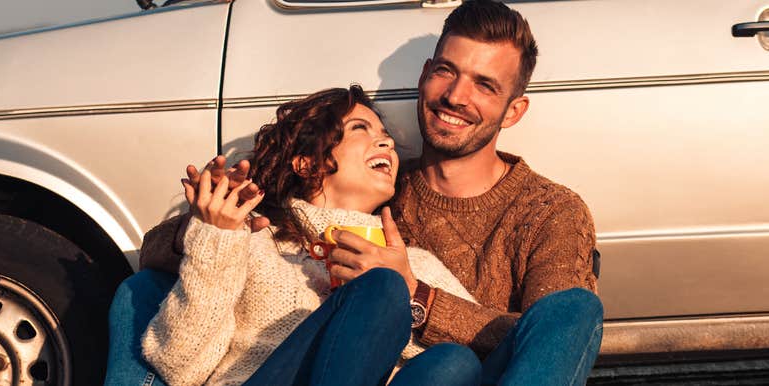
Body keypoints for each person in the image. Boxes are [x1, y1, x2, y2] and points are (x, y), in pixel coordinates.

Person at [139, 0, 604, 385]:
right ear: (424, 76)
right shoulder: (380, 191)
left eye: (484, 85)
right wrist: (217, 222)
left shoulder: (548, 211)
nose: (457, 96)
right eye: (447, 71)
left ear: (513, 110)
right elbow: (162, 251)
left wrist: (417, 297)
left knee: (563, 315)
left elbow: (549, 343)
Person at [104, 86, 481, 386]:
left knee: (453, 362)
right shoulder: (256, 240)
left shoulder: (413, 263)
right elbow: (181, 368)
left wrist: (410, 292)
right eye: (360, 129)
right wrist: (215, 234)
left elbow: (489, 343)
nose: (387, 143)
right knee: (380, 289)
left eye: (386, 136)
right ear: (308, 162)